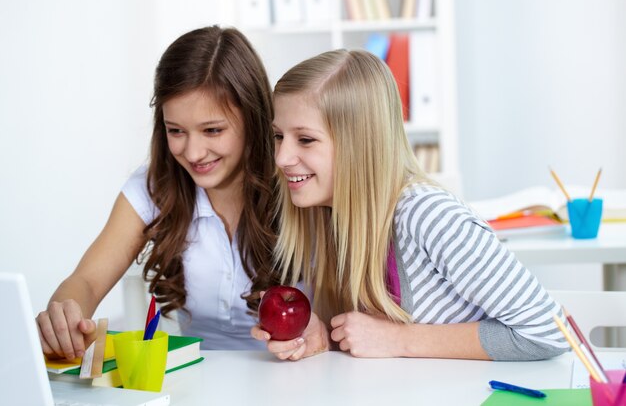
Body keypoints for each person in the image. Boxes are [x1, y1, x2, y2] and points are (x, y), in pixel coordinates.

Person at [251, 49, 569, 361]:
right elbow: (373, 342)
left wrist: (400, 339)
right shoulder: (328, 215)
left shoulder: (430, 215)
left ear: (359, 144)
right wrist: (327, 339)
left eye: (305, 139)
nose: (281, 158)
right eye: (279, 136)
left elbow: (549, 332)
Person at [37, 25, 281, 359]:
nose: (193, 153)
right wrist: (63, 314)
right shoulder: (154, 186)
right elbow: (88, 281)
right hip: (201, 380)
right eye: (176, 131)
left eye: (212, 130)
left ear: (253, 118)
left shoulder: (297, 179)